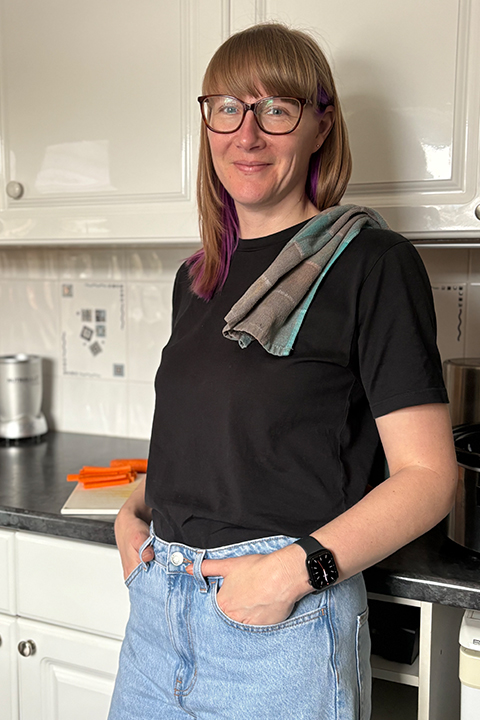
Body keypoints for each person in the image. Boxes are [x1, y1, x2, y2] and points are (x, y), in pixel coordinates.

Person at [108, 22, 457, 720]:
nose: (247, 133)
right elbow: (216, 438)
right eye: (228, 108)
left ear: (320, 124)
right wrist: (133, 513)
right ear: (208, 123)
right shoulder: (197, 277)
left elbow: (428, 478)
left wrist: (295, 574)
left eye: (277, 108)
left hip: (283, 626)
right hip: (157, 616)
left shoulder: (371, 265)